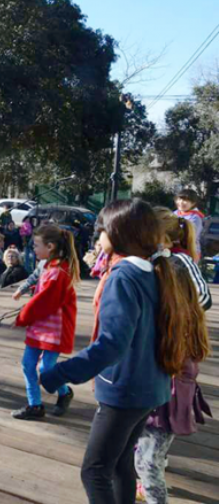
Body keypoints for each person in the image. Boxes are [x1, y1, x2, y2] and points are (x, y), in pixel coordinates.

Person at [39, 199, 187, 504]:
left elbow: (111, 344)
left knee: (94, 471)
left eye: (101, 230)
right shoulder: (153, 271)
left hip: (125, 391)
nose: (97, 237)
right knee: (120, 464)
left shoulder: (123, 277)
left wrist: (59, 374)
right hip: (151, 388)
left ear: (118, 234)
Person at [133, 207, 212, 504]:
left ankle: (152, 482)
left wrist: (173, 313)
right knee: (146, 442)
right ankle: (148, 476)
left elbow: (203, 298)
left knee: (153, 442)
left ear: (161, 237)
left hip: (175, 360)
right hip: (159, 360)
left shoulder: (178, 261)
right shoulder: (149, 262)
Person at [11, 225, 79, 420]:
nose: (33, 249)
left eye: (36, 245)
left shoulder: (58, 271)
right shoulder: (48, 266)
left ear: (50, 247)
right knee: (28, 364)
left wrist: (23, 316)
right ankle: (35, 405)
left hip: (53, 330)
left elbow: (44, 301)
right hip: (40, 327)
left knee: (46, 368)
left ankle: (64, 392)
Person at [173, 189, 204, 258]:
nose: (181, 202)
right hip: (174, 246)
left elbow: (190, 237)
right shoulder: (175, 213)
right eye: (179, 199)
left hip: (190, 251)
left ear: (193, 203)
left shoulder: (195, 217)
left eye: (185, 200)